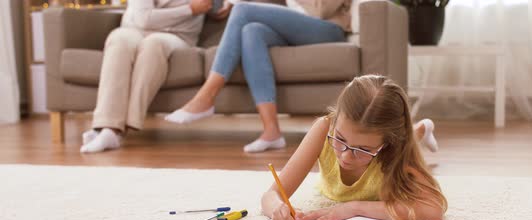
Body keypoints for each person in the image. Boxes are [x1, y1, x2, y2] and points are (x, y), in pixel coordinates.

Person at [261, 75, 447, 220]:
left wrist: (356, 208)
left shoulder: (398, 146)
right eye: (340, 139)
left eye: (363, 150)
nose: (345, 156)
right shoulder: (325, 128)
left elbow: (434, 210)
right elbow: (270, 195)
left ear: (388, 143)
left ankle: (423, 127)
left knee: (413, 136)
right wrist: (278, 209)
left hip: (401, 138)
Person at [164, 0, 353, 153]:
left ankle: (206, 97)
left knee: (243, 10)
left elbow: (321, 9)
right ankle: (272, 131)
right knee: (251, 31)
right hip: (295, 28)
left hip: (328, 27)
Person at [80, 0, 218, 153]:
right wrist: (189, 10)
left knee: (153, 45)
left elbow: (213, 7)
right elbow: (144, 19)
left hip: (177, 36)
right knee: (118, 41)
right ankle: (107, 126)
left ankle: (119, 129)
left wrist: (223, 6)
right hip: (135, 29)